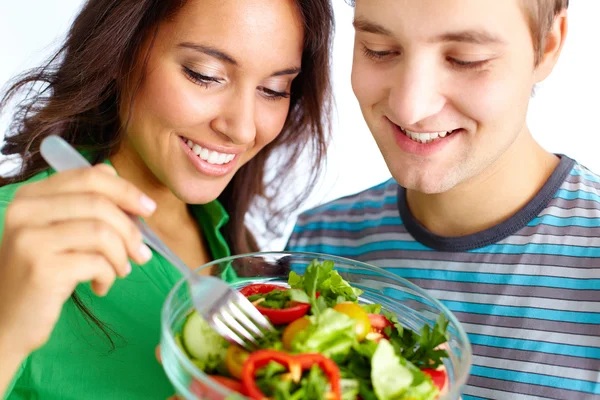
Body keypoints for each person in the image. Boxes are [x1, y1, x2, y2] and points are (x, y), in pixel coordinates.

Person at [0, 0, 334, 398]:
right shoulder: (17, 233)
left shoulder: (230, 249)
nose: (243, 129)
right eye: (204, 75)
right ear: (122, 49)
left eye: (273, 89)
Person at [287, 0, 600, 399]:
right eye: (379, 48)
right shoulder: (320, 246)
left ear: (548, 45)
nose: (410, 107)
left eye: (465, 59)